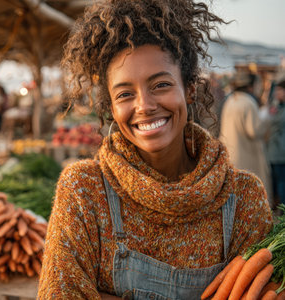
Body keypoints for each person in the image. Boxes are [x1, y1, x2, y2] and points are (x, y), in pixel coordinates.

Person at [37, 1, 273, 299]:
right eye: (125, 94)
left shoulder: (244, 199)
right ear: (111, 106)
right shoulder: (84, 191)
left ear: (189, 88)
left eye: (160, 85)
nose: (144, 106)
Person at [219, 72, 273, 208]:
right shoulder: (248, 102)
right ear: (250, 86)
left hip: (231, 152)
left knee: (236, 191)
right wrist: (266, 118)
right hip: (246, 153)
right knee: (251, 190)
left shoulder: (231, 100)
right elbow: (253, 131)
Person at [267, 73, 285, 206]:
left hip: (281, 152)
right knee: (277, 181)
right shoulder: (278, 107)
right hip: (274, 152)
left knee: (281, 182)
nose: (276, 93)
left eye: (279, 90)